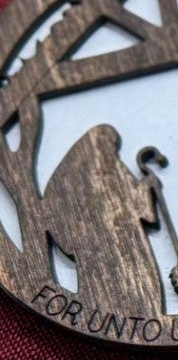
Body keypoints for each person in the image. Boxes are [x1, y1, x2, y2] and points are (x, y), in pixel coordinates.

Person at [41, 124, 166, 315]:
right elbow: (137, 207)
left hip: (102, 247)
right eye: (110, 145)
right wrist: (147, 186)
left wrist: (145, 186)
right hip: (119, 245)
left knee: (118, 287)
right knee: (128, 285)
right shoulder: (101, 170)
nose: (112, 151)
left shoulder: (64, 178)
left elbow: (132, 202)